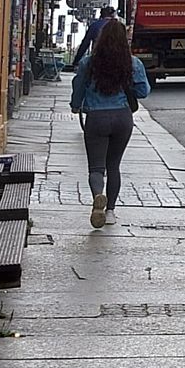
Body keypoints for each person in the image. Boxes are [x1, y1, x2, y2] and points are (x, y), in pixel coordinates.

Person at [68, 19, 151, 228]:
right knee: (114, 166)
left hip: (96, 118)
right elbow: (144, 91)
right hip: (123, 118)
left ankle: (98, 196)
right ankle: (111, 210)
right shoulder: (133, 63)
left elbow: (78, 86)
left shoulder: (89, 62)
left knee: (96, 168)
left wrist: (76, 105)